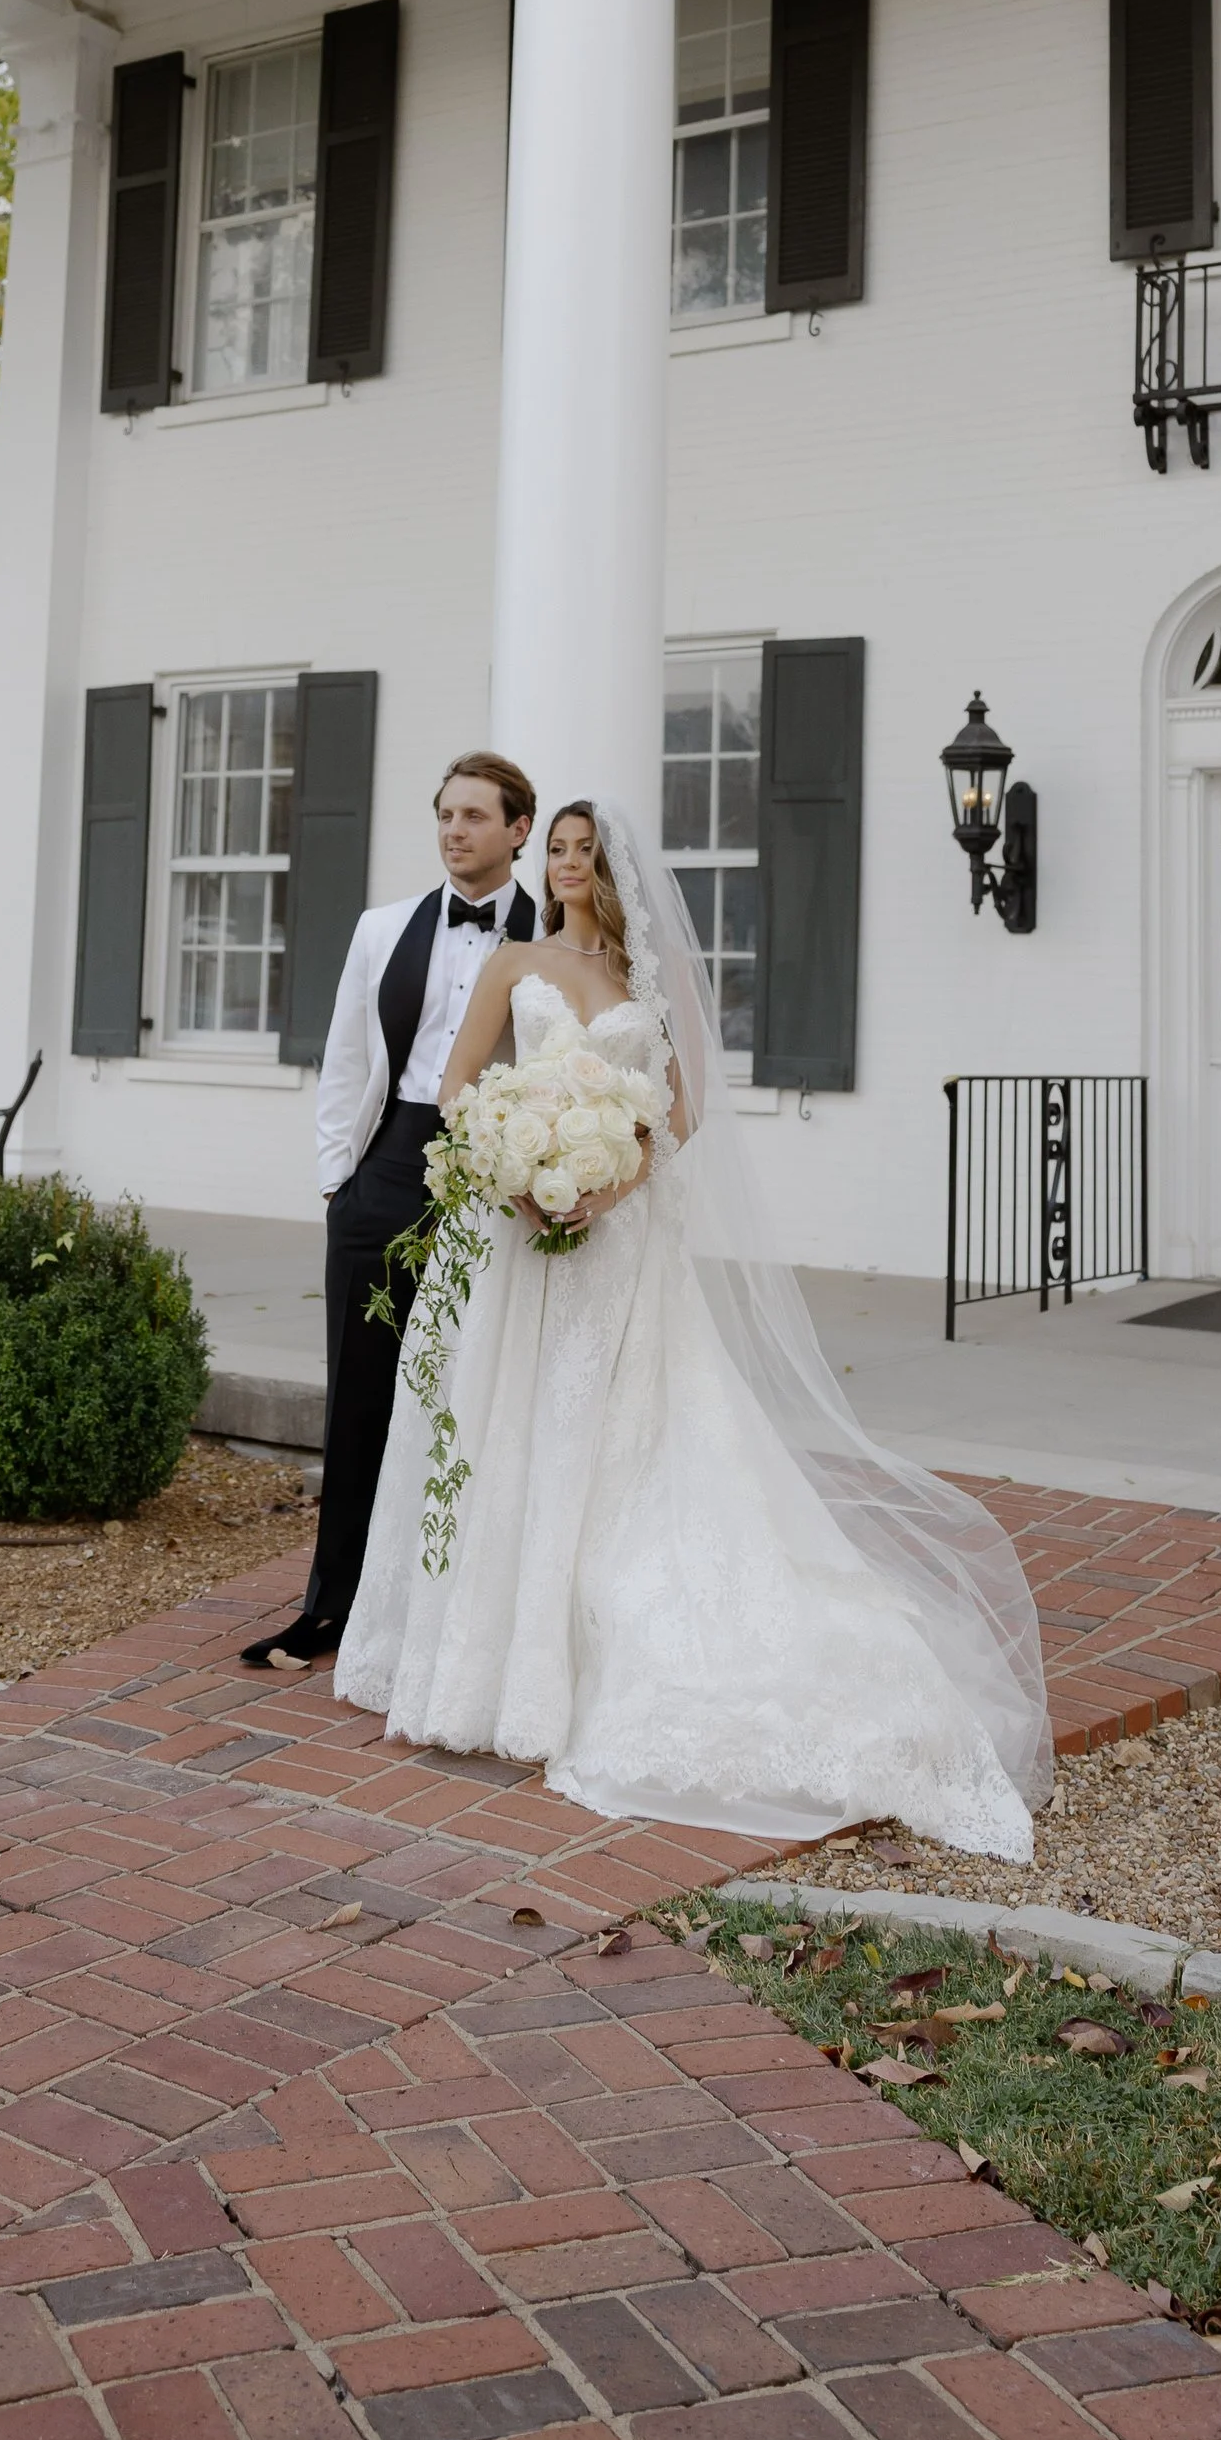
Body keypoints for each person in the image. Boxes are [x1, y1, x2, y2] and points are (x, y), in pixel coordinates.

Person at [334, 797, 1051, 1851]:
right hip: (512, 1241)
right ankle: (478, 1671)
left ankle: (576, 1671)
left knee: (616, 1439)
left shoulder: (644, 988)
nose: (570, 866)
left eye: (586, 853)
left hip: (616, 1245)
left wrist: (603, 1187)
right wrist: (515, 1171)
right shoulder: (512, 964)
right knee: (496, 1434)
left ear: (613, 872)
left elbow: (679, 1115)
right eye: (561, 852)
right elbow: (453, 1092)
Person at [239, 751, 539, 1672]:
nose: (455, 831)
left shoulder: (552, 936)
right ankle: (333, 1604)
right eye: (446, 814)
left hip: (491, 1184)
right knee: (360, 1398)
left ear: (518, 831)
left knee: (465, 1397)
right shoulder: (381, 930)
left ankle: (444, 1608)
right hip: (384, 1170)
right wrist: (340, 1183)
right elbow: (341, 1059)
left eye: (476, 817)